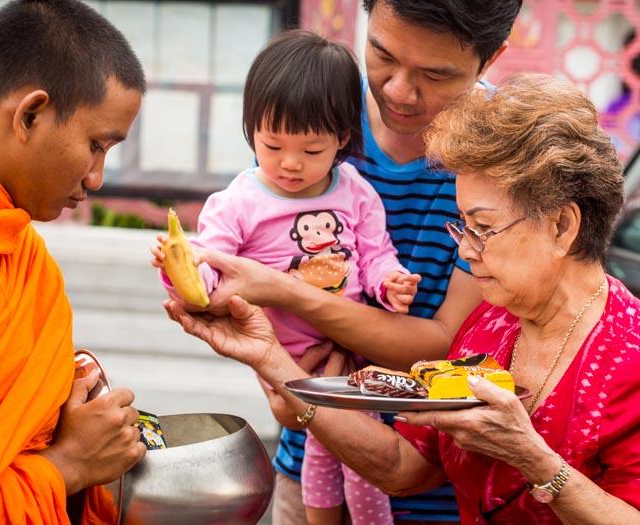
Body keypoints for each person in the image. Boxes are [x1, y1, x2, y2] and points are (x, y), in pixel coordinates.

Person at [166, 73, 640, 525]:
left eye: (484, 228)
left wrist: (535, 460)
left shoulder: (629, 357)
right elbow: (404, 467)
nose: (465, 248)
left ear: (562, 225)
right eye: (462, 226)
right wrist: (273, 359)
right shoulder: (491, 325)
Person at [165, 1, 523, 523]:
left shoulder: (501, 156)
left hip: (443, 488)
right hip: (309, 452)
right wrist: (278, 376)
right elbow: (259, 249)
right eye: (382, 54)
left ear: (491, 59)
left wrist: (285, 296)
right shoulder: (312, 104)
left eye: (435, 74)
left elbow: (444, 343)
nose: (399, 90)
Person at [151, 30, 417, 524]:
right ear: (251, 129)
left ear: (341, 137)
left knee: (361, 458)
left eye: (311, 151)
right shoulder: (237, 204)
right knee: (322, 443)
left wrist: (390, 282)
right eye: (272, 145)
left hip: (357, 346)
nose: (290, 164)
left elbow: (377, 253)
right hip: (294, 360)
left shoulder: (356, 191)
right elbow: (208, 274)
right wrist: (178, 270)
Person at [0, 0, 146, 522]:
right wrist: (69, 465)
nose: (97, 177)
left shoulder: (10, 239)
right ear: (30, 114)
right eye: (97, 145)